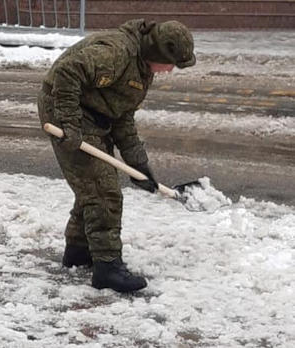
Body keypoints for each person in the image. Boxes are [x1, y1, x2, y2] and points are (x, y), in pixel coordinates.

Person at [37, 19, 196, 293]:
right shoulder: (116, 52)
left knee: (92, 185)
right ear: (157, 52)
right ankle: (107, 268)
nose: (170, 70)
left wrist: (138, 163)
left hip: (93, 115)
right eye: (170, 63)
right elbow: (66, 73)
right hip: (65, 110)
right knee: (103, 190)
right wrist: (70, 123)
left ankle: (78, 251)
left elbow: (122, 115)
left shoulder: (142, 67)